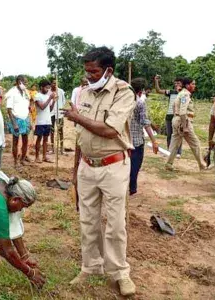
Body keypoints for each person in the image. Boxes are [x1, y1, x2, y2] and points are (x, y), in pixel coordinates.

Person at [62, 47, 137, 296]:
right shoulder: (84, 93)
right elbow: (81, 138)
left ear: (108, 70)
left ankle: (119, 273)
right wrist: (75, 173)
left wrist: (76, 117)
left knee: (115, 224)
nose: (89, 76)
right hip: (87, 166)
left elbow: (109, 130)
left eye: (94, 71)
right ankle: (91, 266)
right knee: (87, 220)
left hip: (113, 166)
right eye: (86, 71)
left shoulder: (123, 92)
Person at [165, 77, 207, 171]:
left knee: (175, 143)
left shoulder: (180, 93)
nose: (194, 86)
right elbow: (183, 112)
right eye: (193, 84)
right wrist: (185, 126)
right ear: (187, 85)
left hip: (176, 119)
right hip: (183, 121)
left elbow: (174, 106)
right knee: (195, 143)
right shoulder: (185, 95)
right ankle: (202, 165)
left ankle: (168, 163)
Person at [129, 78, 159, 196]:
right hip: (136, 141)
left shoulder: (124, 101)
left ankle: (128, 187)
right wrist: (154, 141)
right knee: (135, 166)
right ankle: (131, 188)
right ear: (141, 91)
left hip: (123, 140)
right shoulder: (140, 103)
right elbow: (145, 123)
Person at [5, 75, 31, 167]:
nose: (26, 84)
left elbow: (28, 107)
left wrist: (29, 120)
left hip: (25, 118)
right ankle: (15, 161)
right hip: (16, 119)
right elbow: (9, 109)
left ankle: (22, 159)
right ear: (19, 82)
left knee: (25, 140)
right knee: (15, 141)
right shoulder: (12, 93)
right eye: (25, 82)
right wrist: (14, 124)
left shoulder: (26, 92)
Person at [154, 76, 183, 157]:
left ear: (182, 84)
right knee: (169, 135)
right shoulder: (171, 92)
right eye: (175, 83)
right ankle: (169, 151)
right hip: (169, 116)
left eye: (178, 83)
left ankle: (178, 152)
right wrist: (156, 81)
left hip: (178, 116)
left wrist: (179, 91)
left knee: (178, 134)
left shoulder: (184, 93)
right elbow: (158, 91)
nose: (176, 84)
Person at [34, 79, 56, 163]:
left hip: (47, 121)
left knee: (46, 140)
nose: (48, 90)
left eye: (49, 88)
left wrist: (53, 101)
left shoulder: (47, 96)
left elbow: (49, 109)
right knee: (39, 139)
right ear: (41, 87)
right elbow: (42, 107)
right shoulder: (37, 96)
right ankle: (37, 157)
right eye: (46, 88)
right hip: (40, 121)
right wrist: (50, 98)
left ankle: (44, 156)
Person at [50, 79, 66, 154]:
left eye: (56, 83)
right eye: (53, 83)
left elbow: (63, 101)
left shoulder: (61, 91)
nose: (55, 84)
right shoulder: (48, 92)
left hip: (59, 113)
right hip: (51, 113)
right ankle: (52, 148)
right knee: (52, 130)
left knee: (60, 130)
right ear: (50, 84)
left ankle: (61, 148)